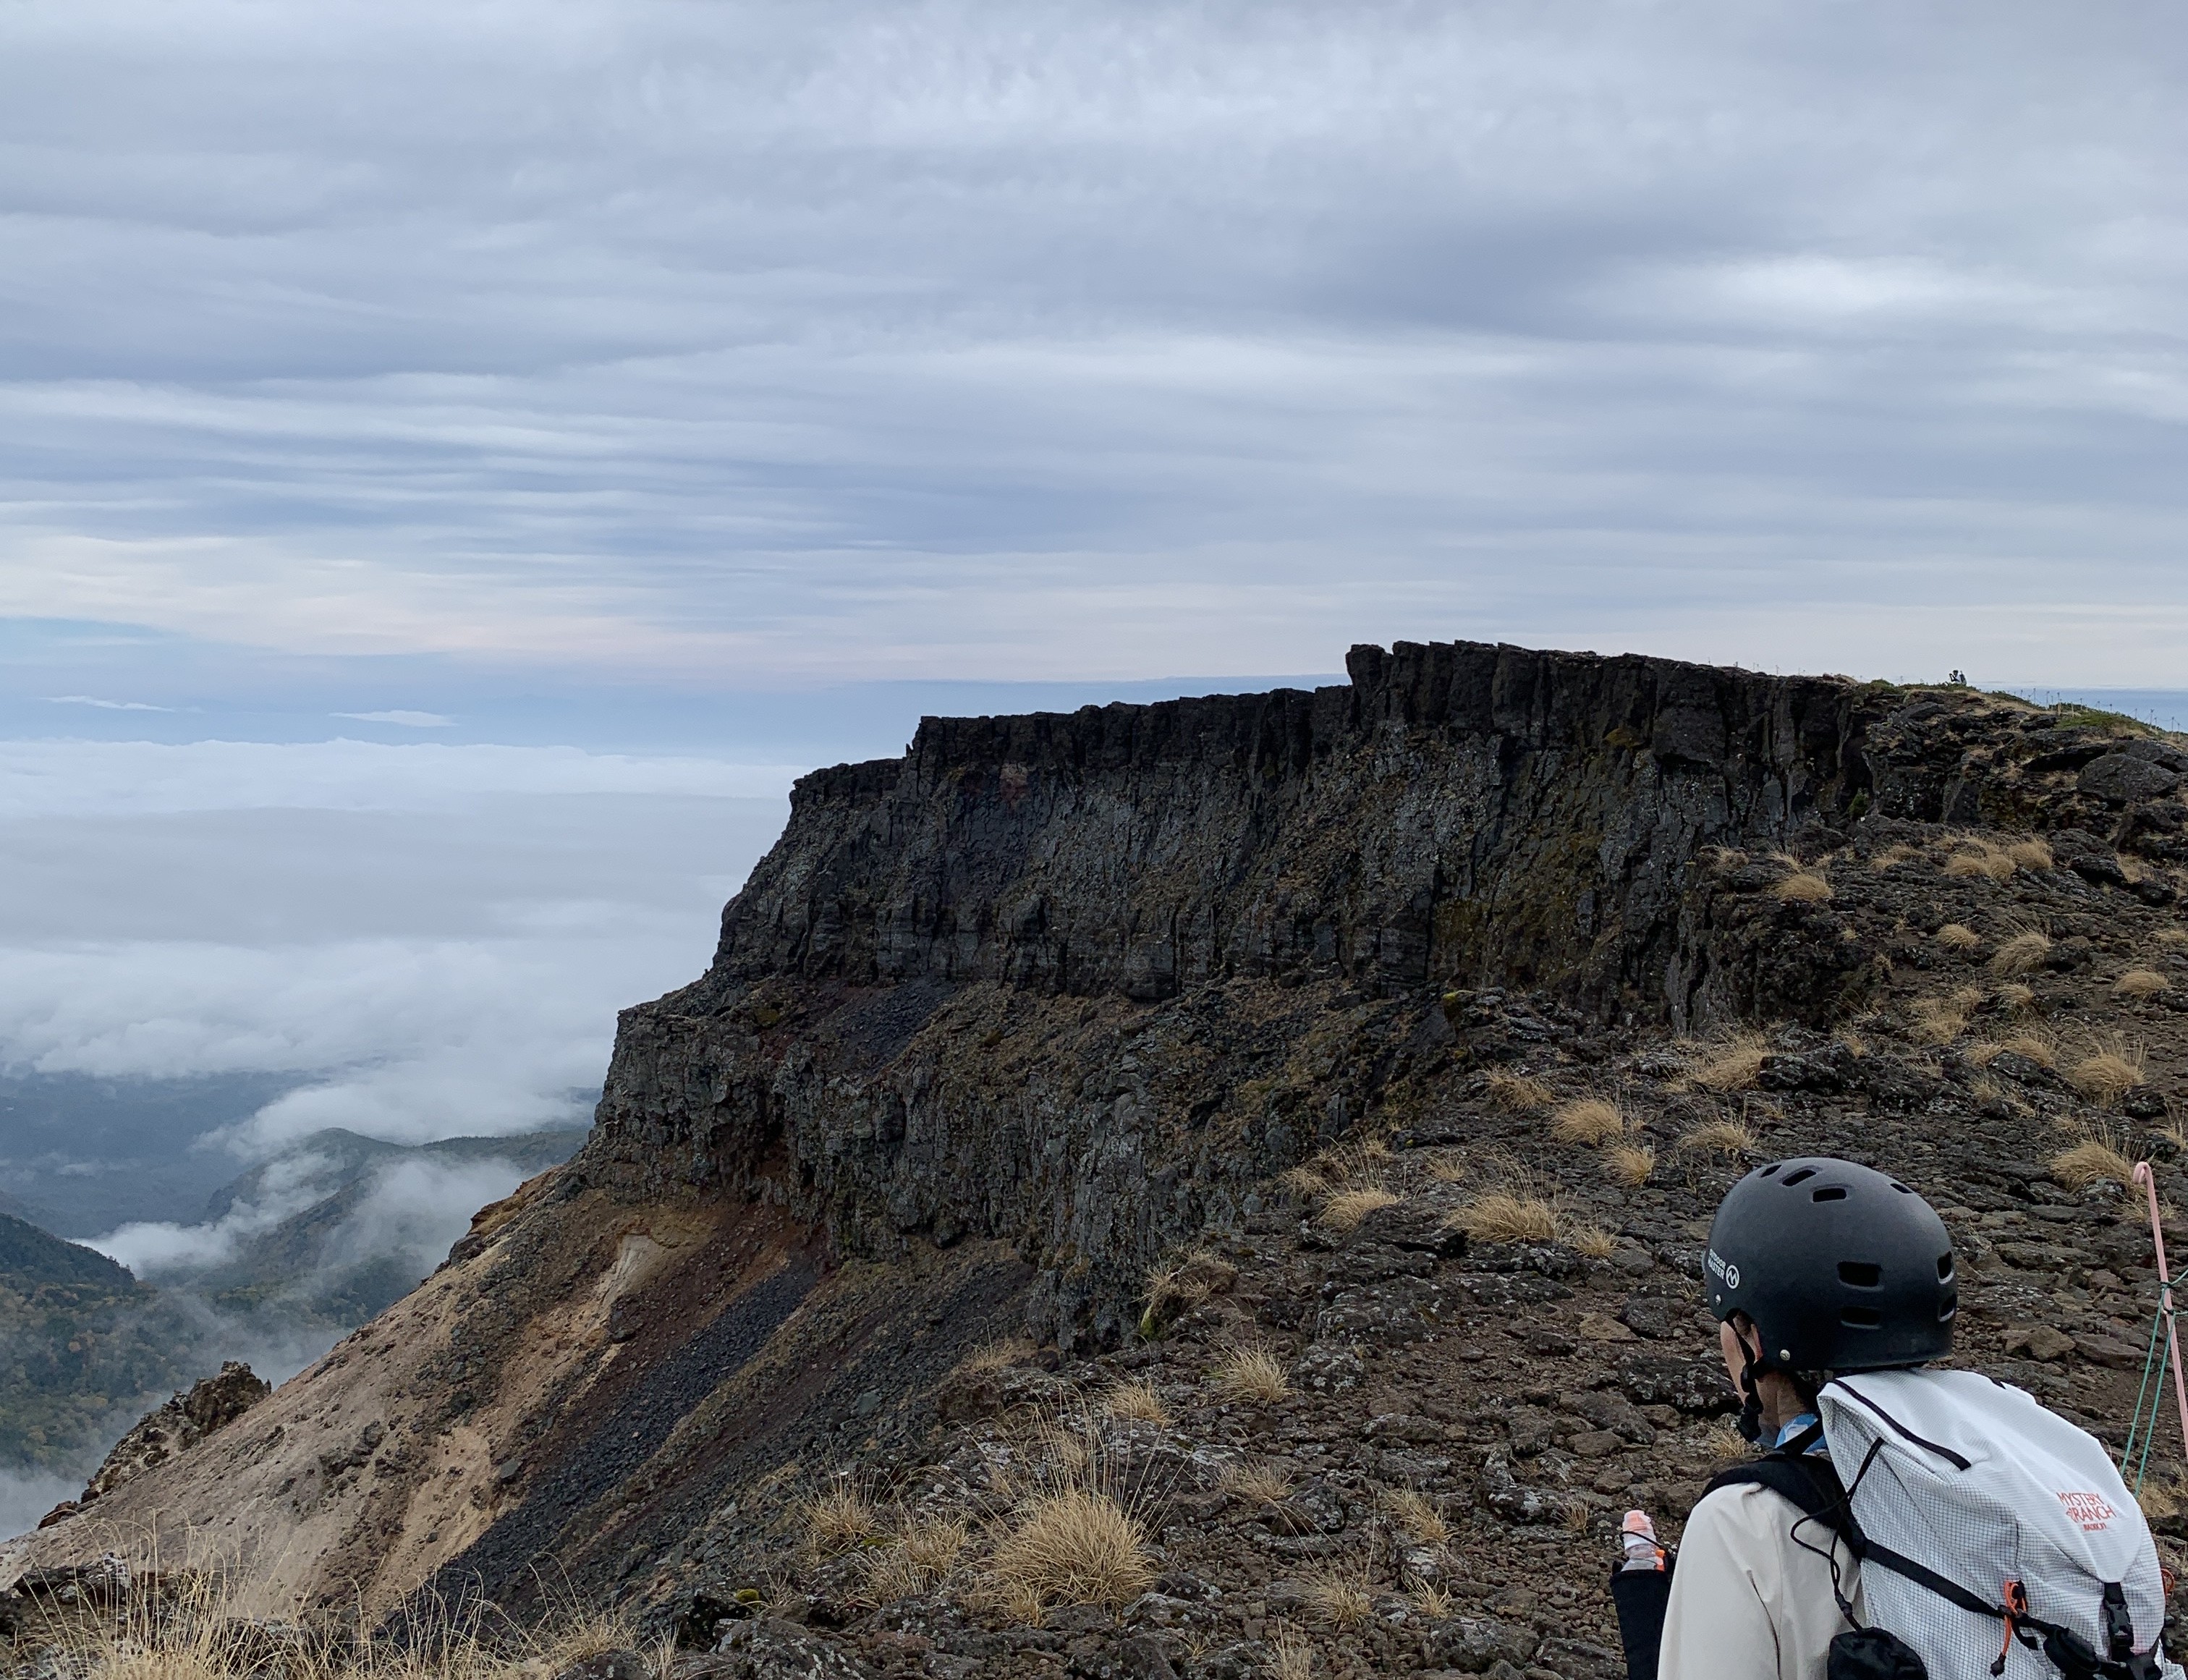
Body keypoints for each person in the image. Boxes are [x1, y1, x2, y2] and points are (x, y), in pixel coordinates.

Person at [1614, 1156, 1957, 1680]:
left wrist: (1650, 1646)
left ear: (1756, 1339)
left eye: (1728, 1320)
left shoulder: (1746, 1523)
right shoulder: (2038, 1460)